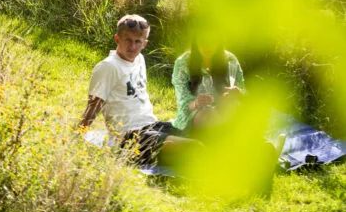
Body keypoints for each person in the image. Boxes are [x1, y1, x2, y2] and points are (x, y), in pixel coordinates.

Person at [79, 15, 196, 167]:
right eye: (128, 40)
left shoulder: (139, 59)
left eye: (137, 42)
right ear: (117, 39)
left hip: (152, 126)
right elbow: (93, 106)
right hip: (129, 137)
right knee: (194, 148)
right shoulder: (108, 67)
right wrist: (76, 137)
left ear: (144, 44)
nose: (132, 46)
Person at [171, 33, 245, 134]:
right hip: (196, 115)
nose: (208, 45)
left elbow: (243, 92)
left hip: (224, 110)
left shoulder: (230, 60)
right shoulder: (182, 63)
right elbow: (183, 104)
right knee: (208, 115)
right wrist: (196, 103)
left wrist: (237, 92)